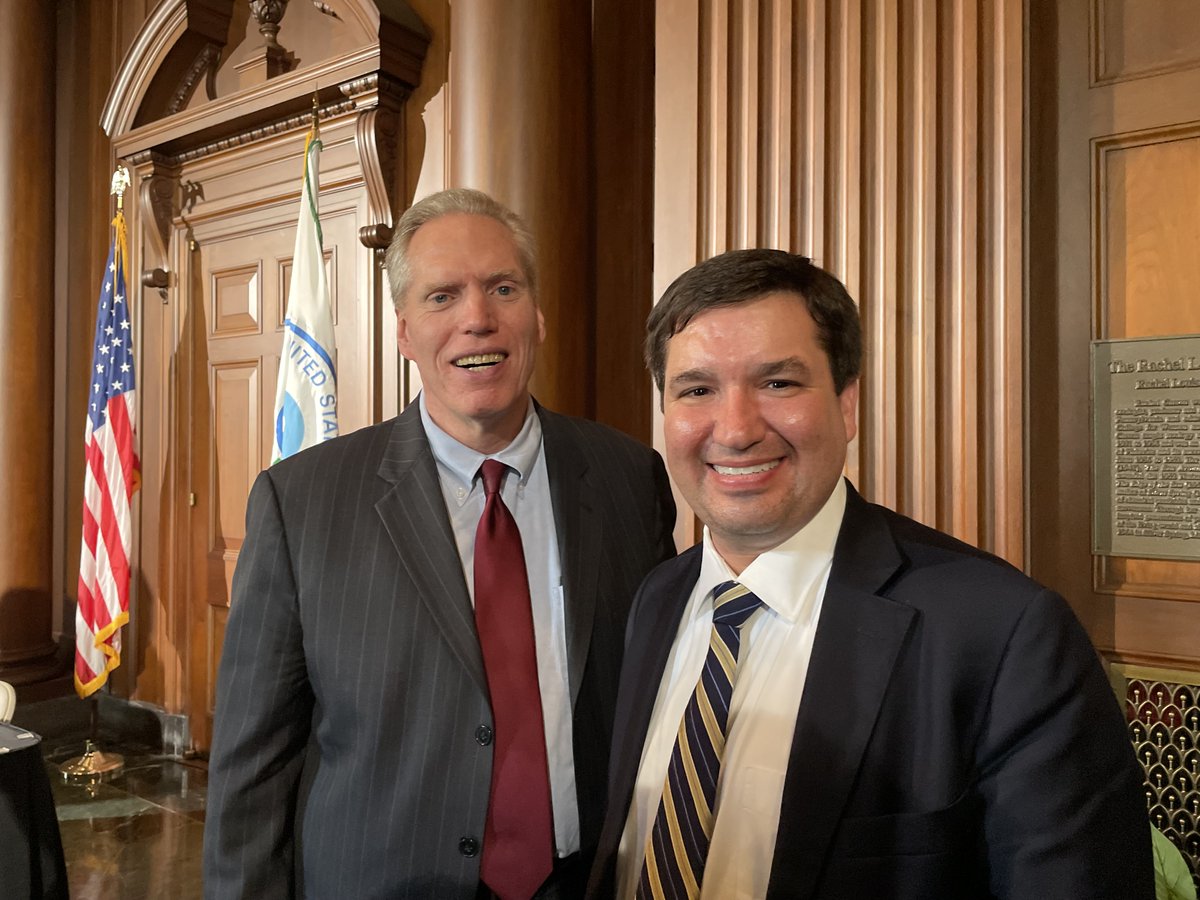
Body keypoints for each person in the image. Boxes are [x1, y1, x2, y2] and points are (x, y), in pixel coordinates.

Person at [587, 249, 1153, 899]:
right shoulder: (659, 597)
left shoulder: (1004, 633)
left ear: (847, 404)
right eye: (697, 390)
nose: (736, 430)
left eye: (779, 383)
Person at [203, 188, 677, 899]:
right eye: (442, 297)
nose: (477, 319)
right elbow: (253, 763)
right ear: (403, 332)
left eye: (503, 289)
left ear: (538, 315)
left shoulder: (628, 477)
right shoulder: (302, 502)